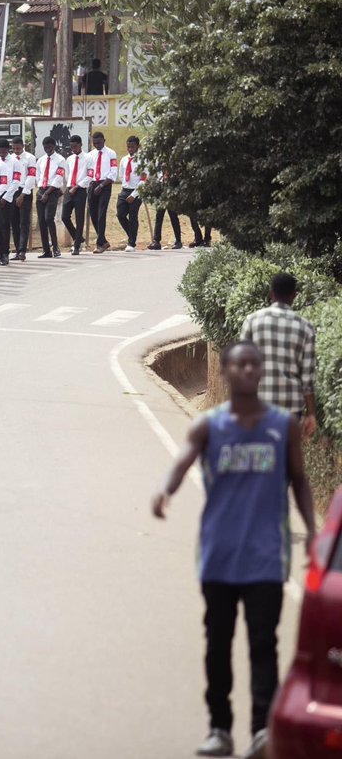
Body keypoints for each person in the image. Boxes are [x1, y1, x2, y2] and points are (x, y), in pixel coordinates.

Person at [151, 340, 316, 759]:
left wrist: (313, 530)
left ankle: (262, 730)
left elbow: (298, 479)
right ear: (225, 371)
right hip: (220, 556)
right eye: (236, 365)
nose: (244, 371)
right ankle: (219, 728)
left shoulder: (283, 425)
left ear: (260, 372)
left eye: (251, 365)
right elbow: (184, 459)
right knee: (218, 644)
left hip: (267, 555)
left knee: (263, 645)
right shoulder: (210, 426)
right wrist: (165, 491)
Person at [240, 272, 319, 436]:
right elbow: (307, 378)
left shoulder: (252, 321)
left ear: (271, 294)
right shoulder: (305, 328)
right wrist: (311, 414)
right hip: (291, 409)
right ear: (294, 296)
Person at [34, 135, 67, 258]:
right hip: (41, 190)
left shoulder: (60, 160)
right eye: (45, 146)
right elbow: (38, 175)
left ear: (54, 146)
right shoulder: (41, 160)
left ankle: (56, 247)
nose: (47, 148)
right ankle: (46, 250)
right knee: (42, 221)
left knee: (49, 218)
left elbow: (59, 177)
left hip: (52, 191)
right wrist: (41, 190)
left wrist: (48, 192)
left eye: (49, 146)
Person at [86, 131, 118, 253]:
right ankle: (104, 241)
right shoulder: (90, 155)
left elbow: (113, 172)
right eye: (94, 143)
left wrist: (102, 185)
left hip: (105, 184)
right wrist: (90, 185)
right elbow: (89, 171)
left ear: (104, 140)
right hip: (93, 184)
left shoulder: (111, 153)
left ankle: (99, 244)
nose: (97, 145)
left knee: (101, 214)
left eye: (99, 142)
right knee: (93, 214)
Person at [115, 135, 145, 251]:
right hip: (125, 190)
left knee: (133, 216)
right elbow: (121, 175)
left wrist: (134, 195)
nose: (130, 149)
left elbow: (144, 179)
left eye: (132, 147)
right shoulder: (124, 159)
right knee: (120, 215)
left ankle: (131, 243)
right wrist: (125, 189)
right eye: (128, 147)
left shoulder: (143, 159)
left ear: (138, 146)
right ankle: (132, 235)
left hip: (136, 191)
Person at [61, 135, 89, 255]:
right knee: (65, 216)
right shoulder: (70, 159)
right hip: (70, 188)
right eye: (71, 147)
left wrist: (77, 186)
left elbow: (90, 175)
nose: (73, 149)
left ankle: (76, 246)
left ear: (80, 145)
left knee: (79, 217)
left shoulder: (88, 158)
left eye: (75, 146)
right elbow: (67, 174)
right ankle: (78, 238)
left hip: (80, 190)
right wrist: (70, 186)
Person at [10, 135, 36, 261]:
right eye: (14, 148)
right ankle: (17, 249)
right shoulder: (10, 159)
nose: (16, 151)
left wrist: (22, 195)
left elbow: (31, 177)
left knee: (24, 222)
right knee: (14, 222)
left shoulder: (30, 158)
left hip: (25, 191)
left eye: (18, 148)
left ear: (23, 147)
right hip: (12, 191)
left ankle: (22, 250)